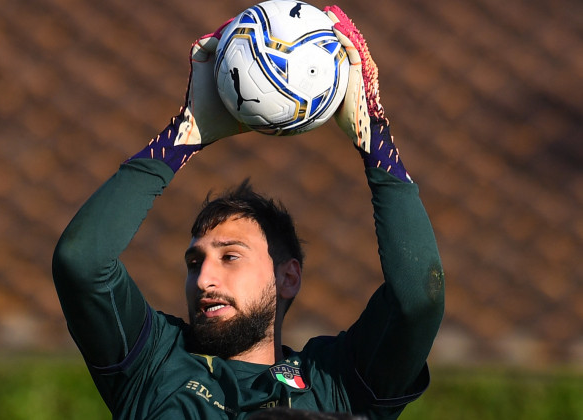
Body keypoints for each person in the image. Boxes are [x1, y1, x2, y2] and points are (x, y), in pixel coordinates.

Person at [52, 5, 445, 419]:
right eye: (193, 261)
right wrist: (184, 135)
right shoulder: (153, 365)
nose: (203, 278)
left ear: (288, 277)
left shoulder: (336, 381)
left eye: (230, 256)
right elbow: (82, 262)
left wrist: (374, 141)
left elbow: (418, 298)